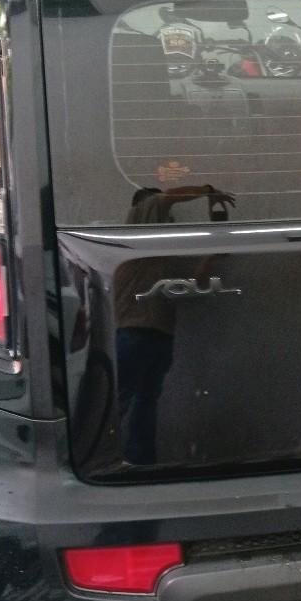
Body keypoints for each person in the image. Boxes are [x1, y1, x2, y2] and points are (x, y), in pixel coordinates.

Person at [113, 185, 235, 465]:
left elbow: (190, 286)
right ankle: (113, 457)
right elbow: (164, 198)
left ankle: (137, 461)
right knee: (133, 400)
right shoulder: (136, 232)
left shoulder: (161, 259)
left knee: (141, 401)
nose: (167, 218)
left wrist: (210, 258)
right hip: (139, 333)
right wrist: (208, 191)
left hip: (155, 335)